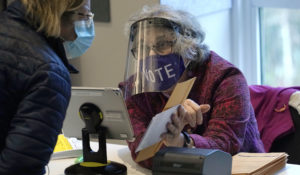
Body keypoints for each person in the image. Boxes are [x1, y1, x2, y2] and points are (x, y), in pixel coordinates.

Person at [119, 5, 265, 169]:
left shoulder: (226, 79)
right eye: (143, 48)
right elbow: (140, 151)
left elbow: (225, 147)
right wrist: (169, 143)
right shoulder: (134, 88)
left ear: (188, 47)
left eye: (161, 45)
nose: (151, 56)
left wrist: (181, 141)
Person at [0, 0, 94, 174]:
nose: (87, 25)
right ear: (63, 11)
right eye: (84, 15)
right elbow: (21, 168)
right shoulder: (49, 72)